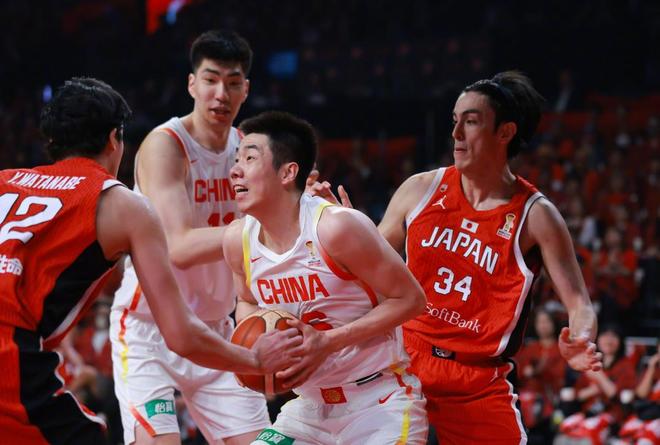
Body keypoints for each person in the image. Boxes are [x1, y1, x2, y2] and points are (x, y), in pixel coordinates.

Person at [0, 78, 300, 445]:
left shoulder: (4, 181)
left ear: (50, 140)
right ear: (115, 139)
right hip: (15, 359)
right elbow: (181, 335)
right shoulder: (122, 205)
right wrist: (255, 361)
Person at [315, 71, 603, 444]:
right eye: (454, 121)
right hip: (402, 361)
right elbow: (369, 269)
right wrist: (345, 232)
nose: (455, 134)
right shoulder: (420, 189)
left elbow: (579, 303)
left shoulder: (536, 215)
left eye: (470, 122)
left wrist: (581, 339)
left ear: (505, 132)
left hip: (476, 380)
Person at [110, 29, 277, 445]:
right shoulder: (165, 147)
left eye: (233, 83)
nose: (221, 93)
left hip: (216, 332)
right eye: (211, 79)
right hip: (150, 328)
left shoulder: (250, 150)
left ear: (246, 90)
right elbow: (179, 247)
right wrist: (259, 226)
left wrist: (306, 207)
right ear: (192, 84)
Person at [223, 111, 429, 445]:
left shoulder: (336, 227)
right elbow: (247, 301)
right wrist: (257, 346)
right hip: (308, 409)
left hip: (378, 404)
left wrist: (329, 342)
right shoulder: (237, 240)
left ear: (288, 172)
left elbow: (411, 299)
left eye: (249, 158)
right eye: (236, 160)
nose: (235, 170)